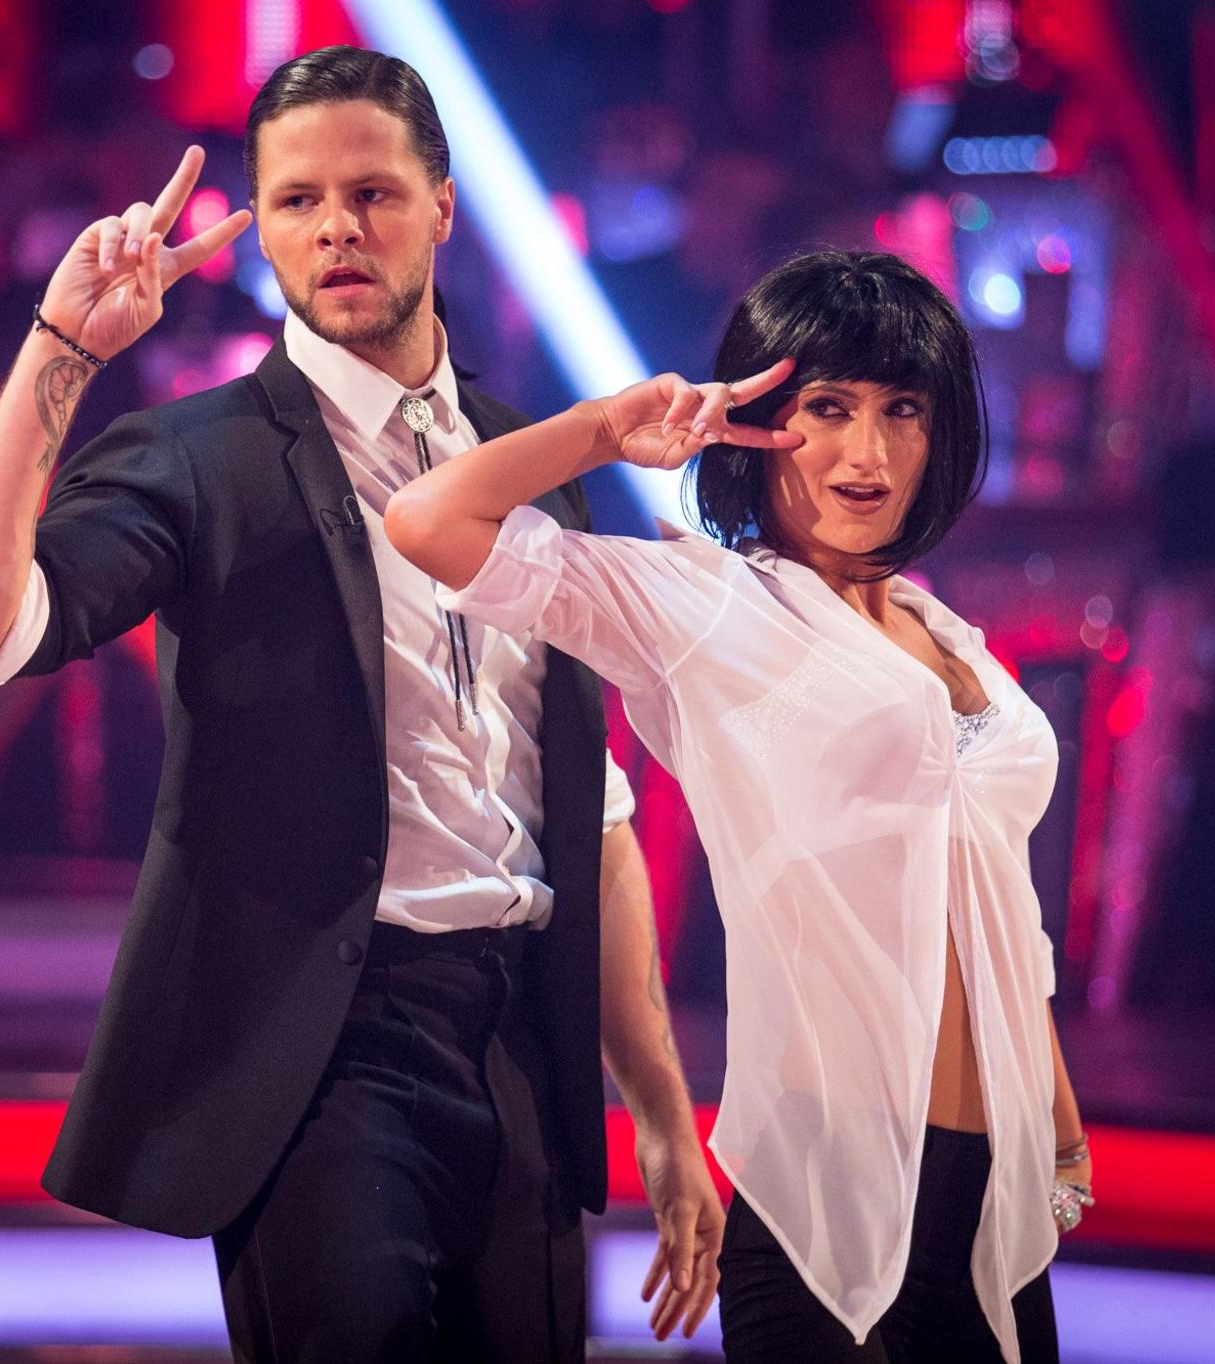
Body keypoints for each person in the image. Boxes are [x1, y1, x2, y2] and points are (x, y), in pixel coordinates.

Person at [0, 45, 722, 1362]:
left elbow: (597, 822)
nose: (336, 226)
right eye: (296, 201)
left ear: (445, 206)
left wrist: (670, 1123)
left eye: (374, 192)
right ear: (264, 229)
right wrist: (60, 354)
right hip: (323, 1051)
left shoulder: (539, 471)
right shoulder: (192, 458)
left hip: (520, 1043)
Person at [386, 250, 1092, 1364]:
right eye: (827, 407)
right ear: (761, 419)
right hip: (831, 1185)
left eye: (900, 410)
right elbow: (427, 521)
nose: (865, 451)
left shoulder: (947, 632)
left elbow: (999, 903)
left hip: (1000, 1192)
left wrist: (1057, 1137)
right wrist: (611, 428)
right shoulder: (707, 606)